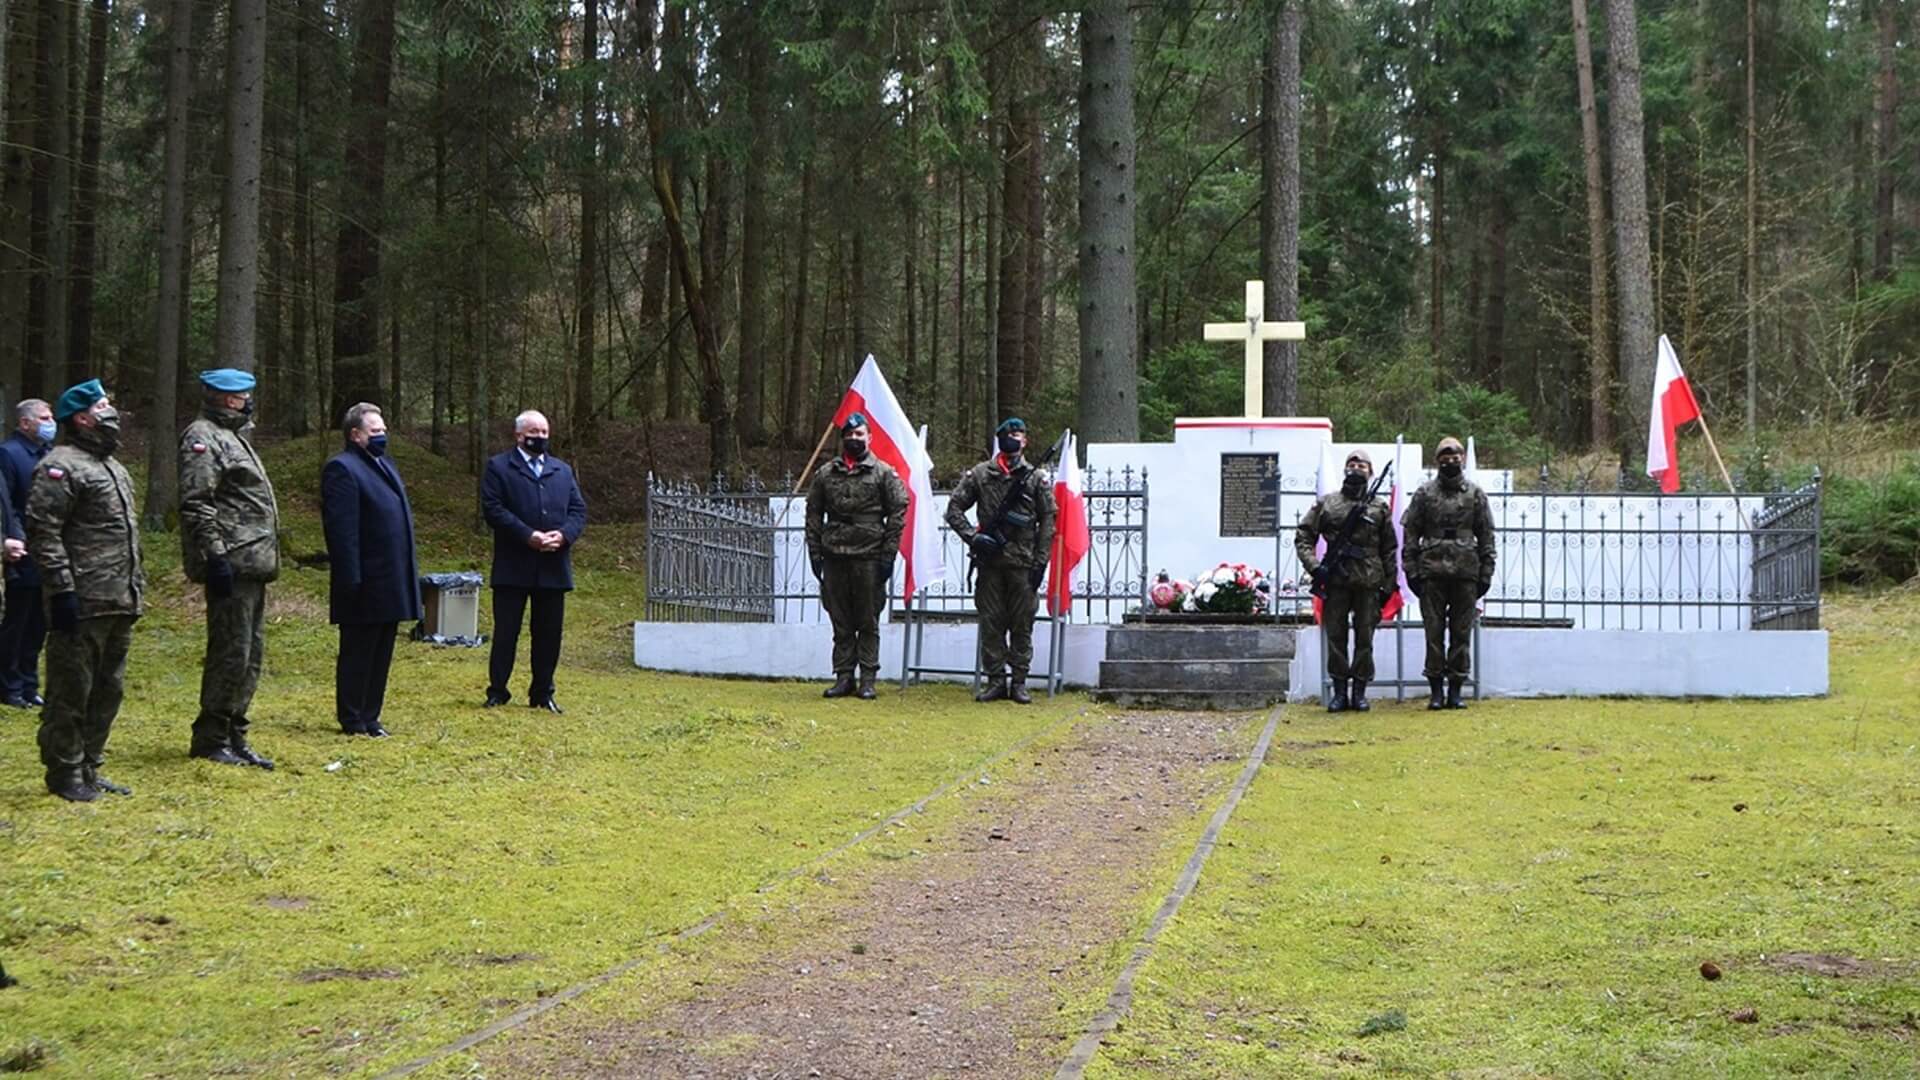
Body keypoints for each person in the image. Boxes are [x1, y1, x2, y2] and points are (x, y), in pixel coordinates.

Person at [27, 380, 143, 801]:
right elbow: (44, 532)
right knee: (70, 690)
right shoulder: (60, 466)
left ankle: (90, 765)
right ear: (81, 417)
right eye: (103, 405)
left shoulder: (113, 467)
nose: (112, 410)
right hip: (81, 599)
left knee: (108, 689)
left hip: (118, 597)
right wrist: (61, 590)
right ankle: (64, 771)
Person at [178, 369, 280, 769]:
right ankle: (211, 735)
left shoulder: (233, 436)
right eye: (241, 396)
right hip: (232, 563)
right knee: (230, 652)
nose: (247, 401)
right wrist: (216, 555)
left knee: (249, 654)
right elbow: (198, 501)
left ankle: (235, 731)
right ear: (224, 398)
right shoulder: (202, 437)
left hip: (252, 563)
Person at [321, 403, 420, 737]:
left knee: (381, 651)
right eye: (375, 432)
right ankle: (352, 717)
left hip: (391, 576)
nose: (382, 436)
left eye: (383, 430)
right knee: (359, 651)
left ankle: (371, 715)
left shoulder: (383, 464)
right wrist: (351, 579)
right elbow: (342, 532)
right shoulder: (342, 469)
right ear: (355, 435)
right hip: (364, 578)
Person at [480, 410, 587, 713]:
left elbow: (578, 511)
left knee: (549, 633)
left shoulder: (562, 471)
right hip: (513, 565)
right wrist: (528, 535)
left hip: (553, 567)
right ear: (518, 435)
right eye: (534, 432)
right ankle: (498, 690)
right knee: (506, 632)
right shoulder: (499, 467)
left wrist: (564, 536)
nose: (540, 437)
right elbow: (493, 509)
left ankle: (542, 693)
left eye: (544, 432)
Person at [946, 417, 1056, 705]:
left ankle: (1019, 682)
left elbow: (1047, 521)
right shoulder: (981, 475)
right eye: (1008, 434)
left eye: (1018, 434)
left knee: (1022, 624)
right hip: (990, 563)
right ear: (1000, 439)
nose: (1013, 438)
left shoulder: (1035, 478)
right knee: (991, 622)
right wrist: (973, 537)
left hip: (1023, 563)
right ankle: (995, 680)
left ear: (1025, 441)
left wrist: (1041, 562)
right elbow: (954, 508)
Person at [804, 413, 908, 700]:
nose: (854, 439)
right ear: (843, 439)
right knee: (840, 620)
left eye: (859, 435)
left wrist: (888, 555)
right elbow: (813, 513)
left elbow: (898, 513)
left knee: (867, 619)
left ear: (869, 438)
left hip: (869, 557)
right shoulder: (826, 474)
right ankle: (844, 676)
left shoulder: (883, 473)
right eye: (849, 435)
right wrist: (815, 552)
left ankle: (868, 679)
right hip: (834, 555)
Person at [1295, 448, 1398, 712]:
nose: (1356, 468)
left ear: (1371, 471)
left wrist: (1389, 584)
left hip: (1368, 581)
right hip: (1336, 581)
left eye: (1362, 465)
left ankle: (1360, 693)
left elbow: (1389, 548)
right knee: (1336, 638)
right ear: (1344, 469)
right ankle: (1339, 692)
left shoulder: (1379, 507)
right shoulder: (1328, 503)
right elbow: (1304, 537)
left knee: (1365, 638)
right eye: (1352, 464)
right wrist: (1316, 568)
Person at [1401, 436, 1496, 710]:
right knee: (1433, 633)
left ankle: (1456, 689)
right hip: (1432, 571)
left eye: (1455, 457)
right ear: (1437, 461)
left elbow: (1486, 535)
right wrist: (1411, 570)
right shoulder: (1424, 494)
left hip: (1466, 572)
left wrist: (1486, 571)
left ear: (1463, 459)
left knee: (1461, 632)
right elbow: (1411, 534)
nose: (1450, 461)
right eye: (1445, 457)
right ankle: (1435, 692)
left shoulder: (1475, 494)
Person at [0, 399, 54, 708]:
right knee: (16, 621)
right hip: (21, 549)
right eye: (44, 418)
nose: (50, 423)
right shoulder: (9, 454)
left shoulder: (49, 454)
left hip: (46, 549)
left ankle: (30, 682)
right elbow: (7, 503)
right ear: (25, 423)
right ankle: (9, 685)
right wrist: (12, 538)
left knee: (38, 623)